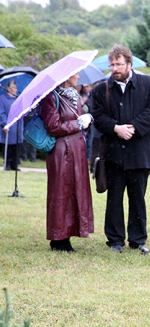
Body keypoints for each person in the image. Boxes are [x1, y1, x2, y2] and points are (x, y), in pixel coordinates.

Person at [90, 44, 150, 254]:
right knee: (114, 198)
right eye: (112, 64)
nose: (115, 68)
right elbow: (97, 116)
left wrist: (134, 127)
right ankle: (115, 240)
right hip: (113, 152)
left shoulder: (148, 83)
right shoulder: (100, 89)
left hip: (140, 151)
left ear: (129, 64)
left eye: (119, 64)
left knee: (138, 197)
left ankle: (138, 240)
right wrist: (115, 128)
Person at [40, 73, 94, 252]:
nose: (78, 76)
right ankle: (58, 237)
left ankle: (67, 234)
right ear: (66, 76)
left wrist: (86, 119)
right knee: (60, 192)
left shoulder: (73, 96)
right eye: (75, 73)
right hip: (61, 152)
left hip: (76, 150)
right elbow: (53, 127)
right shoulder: (51, 97)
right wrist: (77, 124)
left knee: (74, 191)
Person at [0, 80, 24, 171]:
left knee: (16, 146)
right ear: (9, 89)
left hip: (18, 126)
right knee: (8, 146)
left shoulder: (17, 98)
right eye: (14, 88)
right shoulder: (2, 99)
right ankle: (8, 164)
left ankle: (14, 164)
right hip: (9, 127)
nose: (16, 89)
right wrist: (5, 124)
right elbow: (1, 113)